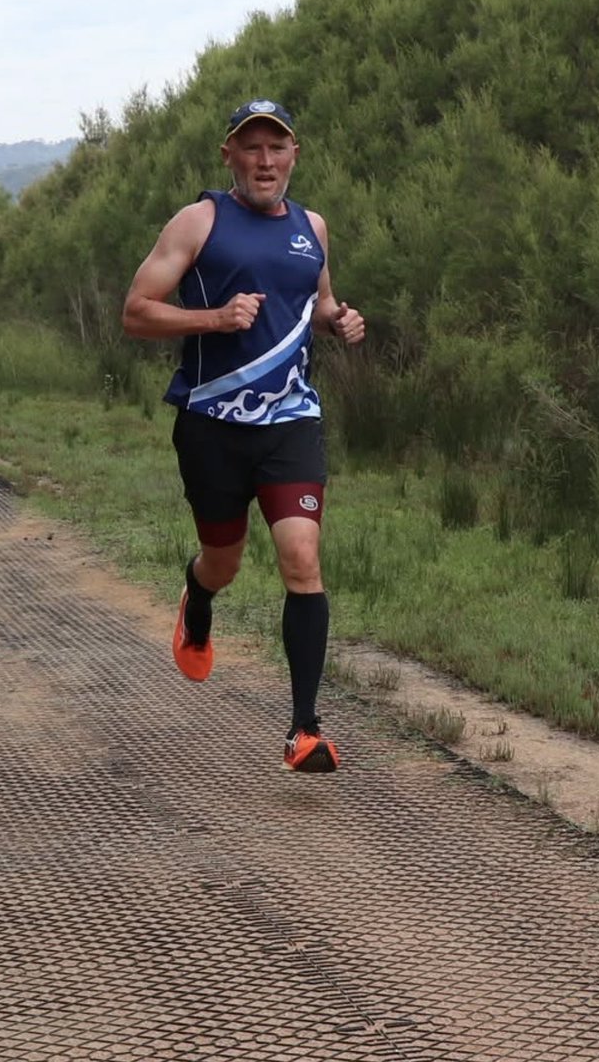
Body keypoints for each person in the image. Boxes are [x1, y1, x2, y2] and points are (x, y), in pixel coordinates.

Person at [122, 98, 365, 773]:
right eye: (250, 148)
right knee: (222, 562)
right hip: (211, 427)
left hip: (289, 420)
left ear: (294, 154)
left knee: (301, 558)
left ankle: (304, 730)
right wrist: (214, 318)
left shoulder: (311, 227)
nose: (264, 161)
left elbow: (315, 304)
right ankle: (198, 596)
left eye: (276, 147)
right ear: (228, 154)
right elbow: (137, 313)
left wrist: (338, 321)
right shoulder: (200, 221)